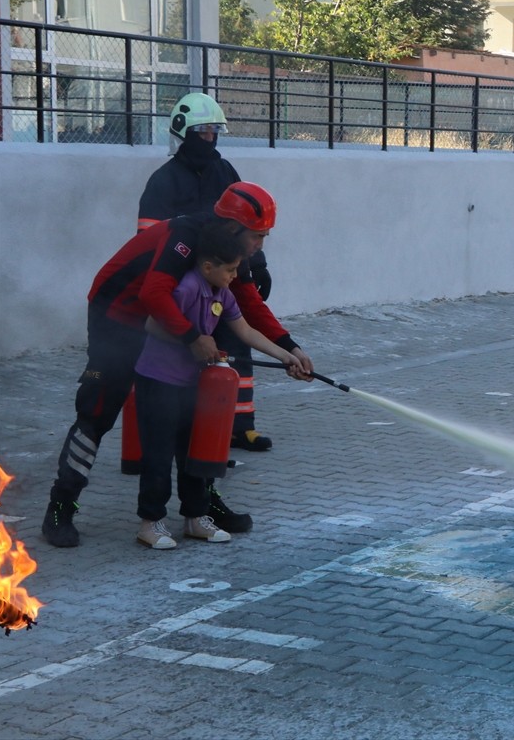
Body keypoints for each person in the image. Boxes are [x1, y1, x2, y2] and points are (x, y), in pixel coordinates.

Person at [42, 182, 314, 548]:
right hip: (117, 316)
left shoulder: (229, 252)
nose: (260, 245)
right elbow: (152, 293)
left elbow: (247, 303)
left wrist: (289, 348)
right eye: (258, 236)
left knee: (195, 419)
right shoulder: (185, 235)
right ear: (234, 228)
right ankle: (61, 505)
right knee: (97, 410)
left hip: (166, 327)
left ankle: (200, 504)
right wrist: (193, 338)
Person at [134, 223, 301, 549]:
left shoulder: (222, 293)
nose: (235, 276)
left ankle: (195, 518)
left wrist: (288, 356)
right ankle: (150, 522)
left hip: (191, 386)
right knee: (158, 455)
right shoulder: (187, 289)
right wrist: (194, 342)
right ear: (208, 266)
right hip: (158, 382)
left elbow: (246, 331)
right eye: (230, 270)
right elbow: (152, 324)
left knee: (193, 454)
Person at [139, 93, 275, 453]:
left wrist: (255, 265)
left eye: (215, 130)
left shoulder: (225, 170)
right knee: (197, 353)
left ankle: (241, 425)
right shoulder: (163, 181)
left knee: (237, 347)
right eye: (203, 131)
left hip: (225, 277)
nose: (210, 138)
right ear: (183, 131)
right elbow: (149, 239)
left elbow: (247, 222)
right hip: (184, 284)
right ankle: (203, 435)